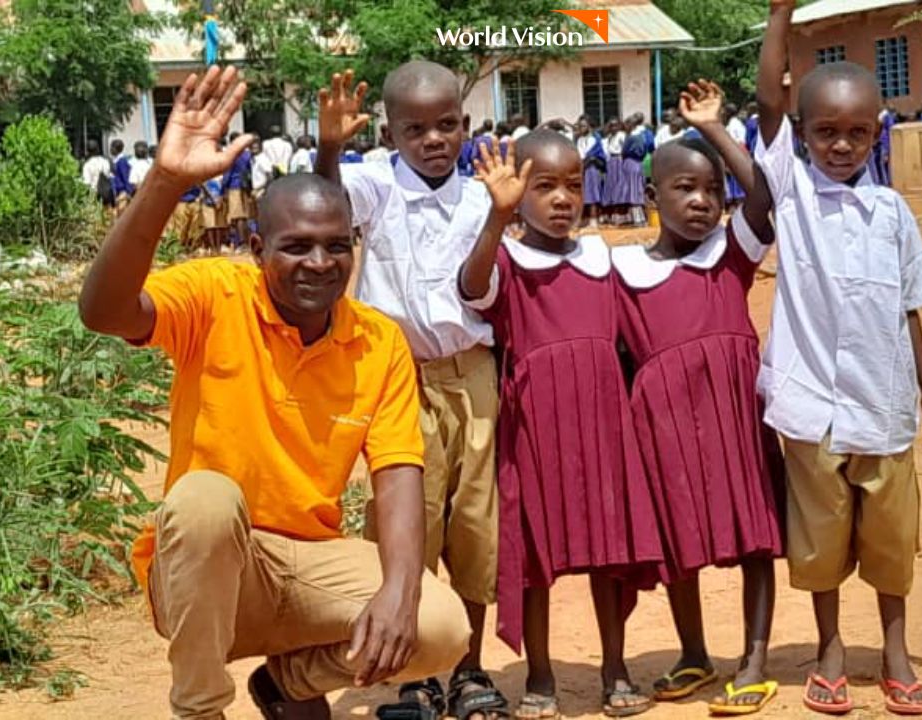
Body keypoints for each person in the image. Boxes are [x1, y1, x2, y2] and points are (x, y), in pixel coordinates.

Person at [76, 65, 470, 720]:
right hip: (209, 574)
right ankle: (201, 709)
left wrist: (401, 588)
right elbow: (104, 310)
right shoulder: (214, 296)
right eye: (296, 247)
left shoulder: (377, 341)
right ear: (258, 249)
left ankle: (291, 681)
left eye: (335, 246)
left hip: (312, 562)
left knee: (439, 627)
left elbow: (398, 471)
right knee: (204, 497)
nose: (320, 263)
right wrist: (167, 181)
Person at [754, 2, 922, 715]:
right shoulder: (794, 192)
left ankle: (895, 653)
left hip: (886, 404)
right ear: (801, 135)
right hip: (812, 407)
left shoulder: (893, 215)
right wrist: (780, 13)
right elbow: (769, 94)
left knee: (893, 541)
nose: (841, 146)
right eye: (825, 132)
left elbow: (909, 308)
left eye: (857, 133)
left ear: (877, 133)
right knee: (820, 542)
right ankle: (831, 650)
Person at [316, 64, 509, 719]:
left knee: (477, 523)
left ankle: (471, 665)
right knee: (411, 525)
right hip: (399, 378)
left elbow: (481, 289)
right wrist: (330, 146)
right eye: (416, 128)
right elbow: (327, 207)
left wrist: (499, 215)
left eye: (446, 124)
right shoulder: (373, 185)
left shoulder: (483, 197)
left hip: (473, 371)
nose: (433, 139)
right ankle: (417, 672)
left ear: (466, 123)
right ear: (390, 132)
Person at [460, 131, 662, 719]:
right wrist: (496, 220)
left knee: (610, 551)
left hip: (602, 428)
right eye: (542, 187)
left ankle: (615, 668)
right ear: (518, 194)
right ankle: (541, 673)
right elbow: (473, 290)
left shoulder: (603, 258)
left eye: (572, 186)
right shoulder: (506, 261)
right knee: (537, 559)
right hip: (537, 433)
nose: (560, 199)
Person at [612, 80, 784, 716]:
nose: (703, 203)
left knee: (755, 535)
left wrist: (714, 130)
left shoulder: (728, 256)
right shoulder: (622, 272)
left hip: (736, 418)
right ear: (652, 197)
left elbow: (763, 198)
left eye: (712, 190)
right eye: (685, 189)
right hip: (666, 426)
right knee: (679, 536)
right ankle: (693, 652)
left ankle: (755, 658)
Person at [221, 131, 253, 247]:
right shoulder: (247, 154)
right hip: (245, 186)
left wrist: (223, 189)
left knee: (237, 215)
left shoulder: (231, 155)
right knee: (245, 216)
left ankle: (241, 242)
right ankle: (247, 240)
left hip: (234, 186)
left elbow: (227, 173)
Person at [576, 115, 606, 228]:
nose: (581, 128)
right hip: (581, 168)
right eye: (580, 126)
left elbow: (593, 155)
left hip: (591, 169)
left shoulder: (594, 139)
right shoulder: (579, 140)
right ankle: (583, 219)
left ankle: (593, 219)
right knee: (582, 193)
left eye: (583, 126)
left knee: (592, 193)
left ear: (589, 126)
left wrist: (586, 162)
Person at [601, 118, 626, 224]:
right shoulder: (609, 137)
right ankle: (610, 214)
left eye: (615, 125)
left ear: (619, 126)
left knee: (618, 186)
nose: (613, 128)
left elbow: (624, 149)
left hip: (618, 161)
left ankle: (619, 214)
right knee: (610, 186)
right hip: (610, 161)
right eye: (611, 126)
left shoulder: (621, 135)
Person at [81, 140, 114, 207]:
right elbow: (109, 176)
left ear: (87, 151)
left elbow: (86, 183)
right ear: (98, 149)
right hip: (107, 194)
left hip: (95, 195)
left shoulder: (87, 165)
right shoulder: (105, 161)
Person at [110, 140, 135, 215]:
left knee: (122, 212)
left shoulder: (122, 161)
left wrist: (129, 192)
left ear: (115, 149)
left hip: (122, 191)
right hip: (117, 191)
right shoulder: (115, 160)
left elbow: (126, 177)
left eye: (111, 147)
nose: (110, 149)